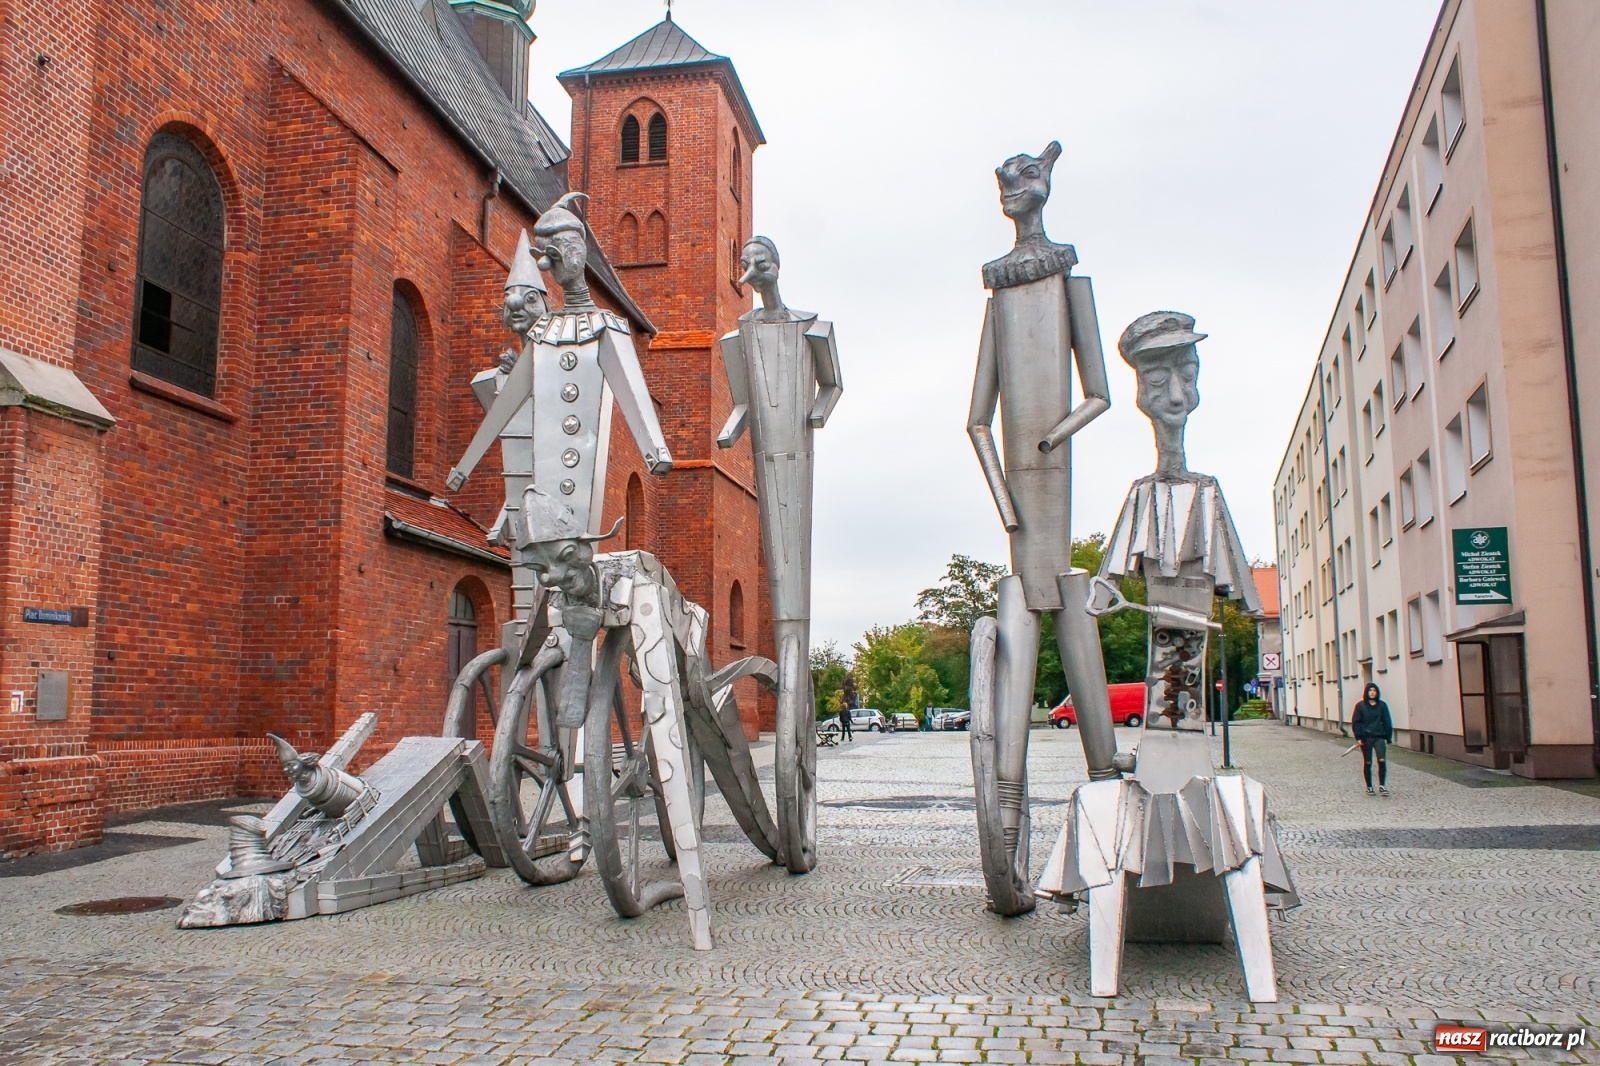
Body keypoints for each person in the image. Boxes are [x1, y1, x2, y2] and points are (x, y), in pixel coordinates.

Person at [1351, 682, 1394, 795]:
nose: (1372, 693)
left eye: (1374, 690)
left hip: (1379, 737)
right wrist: (1359, 737)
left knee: (1382, 760)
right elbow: (1356, 722)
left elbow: (1387, 721)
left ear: (1377, 692)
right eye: (1370, 690)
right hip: (1366, 738)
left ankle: (1382, 786)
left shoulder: (1382, 706)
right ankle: (1369, 786)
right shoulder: (1360, 706)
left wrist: (1388, 736)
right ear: (1366, 692)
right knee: (1368, 762)